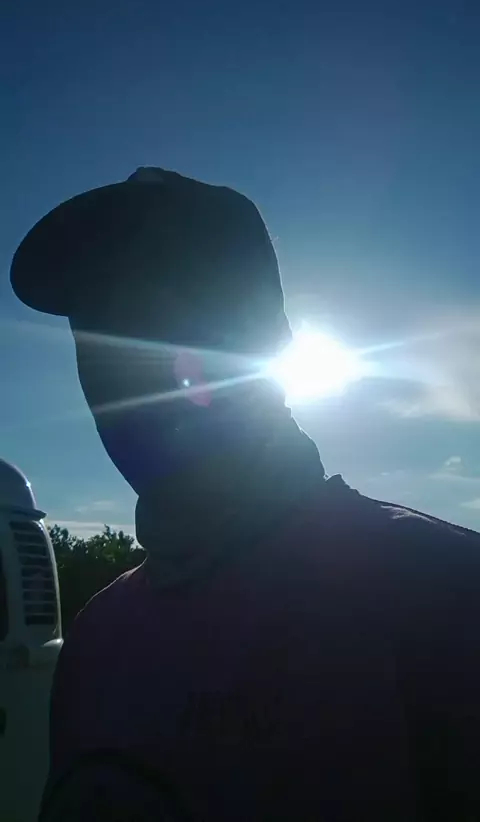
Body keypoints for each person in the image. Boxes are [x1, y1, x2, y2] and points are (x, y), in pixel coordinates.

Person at [11, 167, 480, 821]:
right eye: (97, 329)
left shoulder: (445, 601)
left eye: (163, 312)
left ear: (267, 341)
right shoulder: (96, 639)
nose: (124, 368)